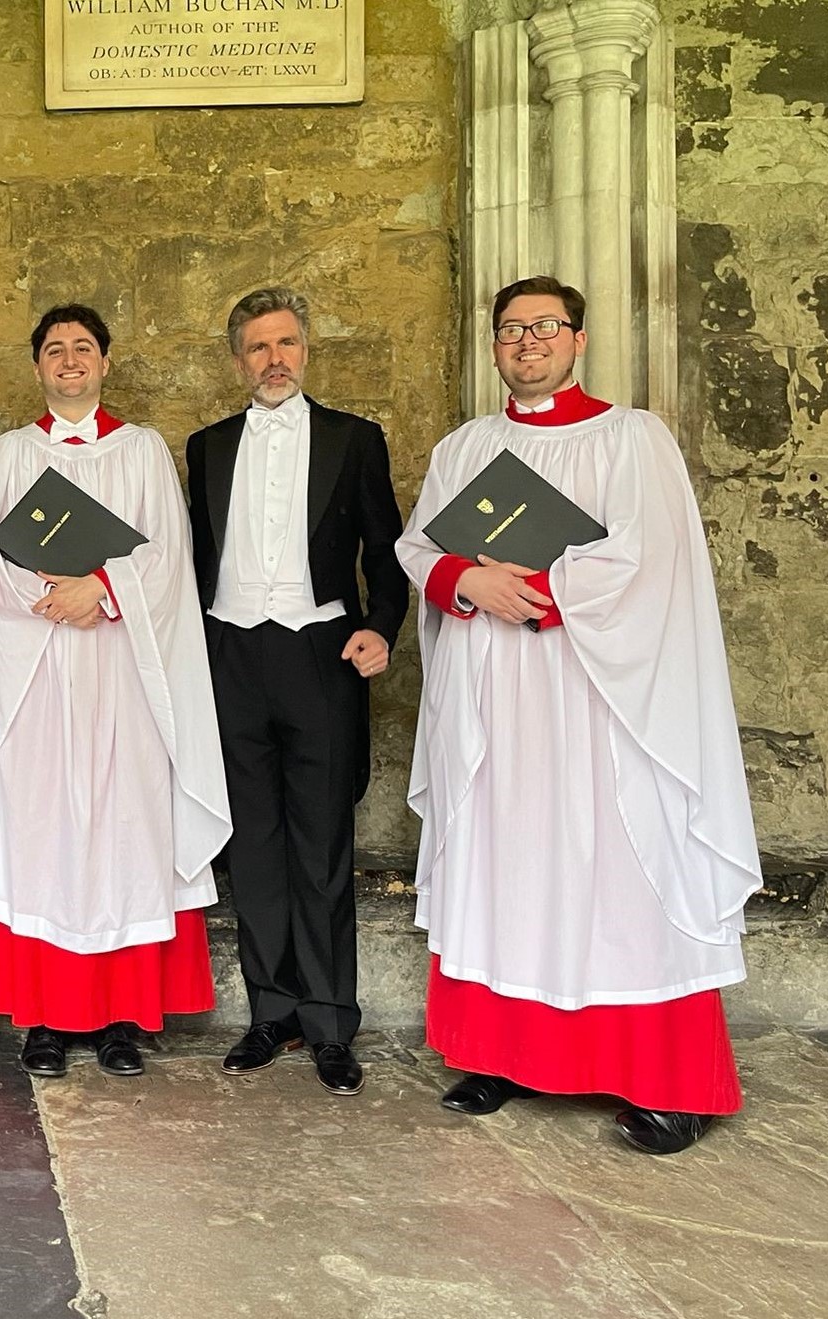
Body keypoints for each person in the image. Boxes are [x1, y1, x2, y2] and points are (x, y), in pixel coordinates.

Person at [396, 275, 761, 1153]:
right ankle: (500, 1055)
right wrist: (462, 578)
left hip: (597, 699)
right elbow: (419, 545)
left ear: (577, 339)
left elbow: (650, 561)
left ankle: (666, 1081)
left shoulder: (631, 439)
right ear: (492, 346)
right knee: (502, 861)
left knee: (618, 872)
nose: (526, 342)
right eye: (510, 329)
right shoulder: (463, 447)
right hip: (492, 695)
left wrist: (543, 589)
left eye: (544, 327)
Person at [0, 304, 232, 1078]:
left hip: (125, 670)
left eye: (83, 347)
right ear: (37, 367)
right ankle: (46, 1017)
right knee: (44, 831)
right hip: (40, 674)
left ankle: (122, 1017)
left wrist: (104, 590)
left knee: (124, 828)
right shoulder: (10, 453)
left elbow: (166, 553)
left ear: (106, 362)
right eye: (55, 350)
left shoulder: (142, 449)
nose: (70, 360)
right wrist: (52, 602)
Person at [185, 288, 408, 1097]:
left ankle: (327, 1020)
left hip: (321, 652)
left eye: (285, 343)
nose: (272, 358)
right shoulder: (205, 446)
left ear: (305, 350)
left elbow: (385, 553)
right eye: (256, 346)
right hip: (230, 655)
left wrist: (380, 624)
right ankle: (268, 1013)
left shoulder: (354, 439)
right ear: (236, 358)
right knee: (253, 847)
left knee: (320, 846)